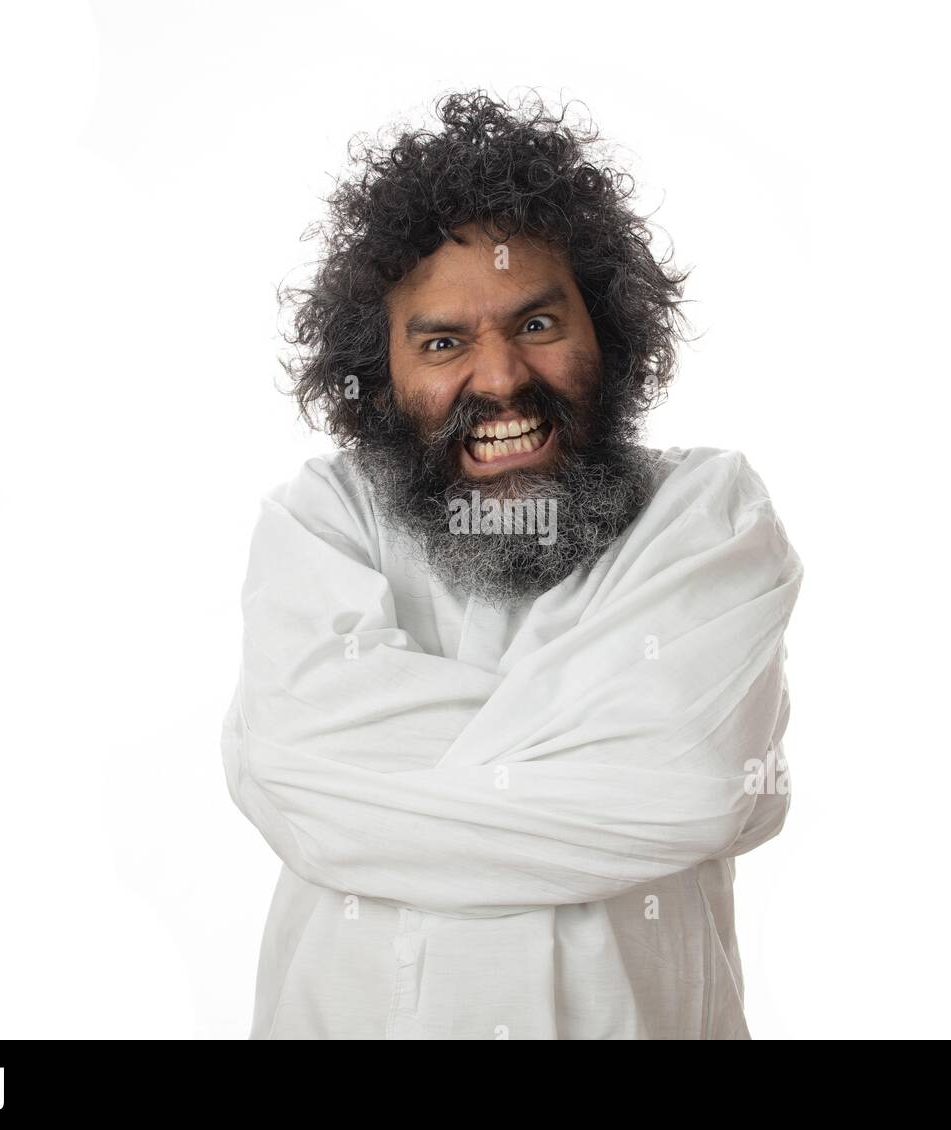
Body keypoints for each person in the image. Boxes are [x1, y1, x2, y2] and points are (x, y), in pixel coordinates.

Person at [220, 89, 804, 1039]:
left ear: (608, 335)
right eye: (443, 342)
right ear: (381, 376)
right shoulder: (324, 521)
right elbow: (299, 776)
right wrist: (582, 756)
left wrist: (394, 800)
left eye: (536, 325)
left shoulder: (708, 514)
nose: (497, 380)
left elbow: (692, 783)